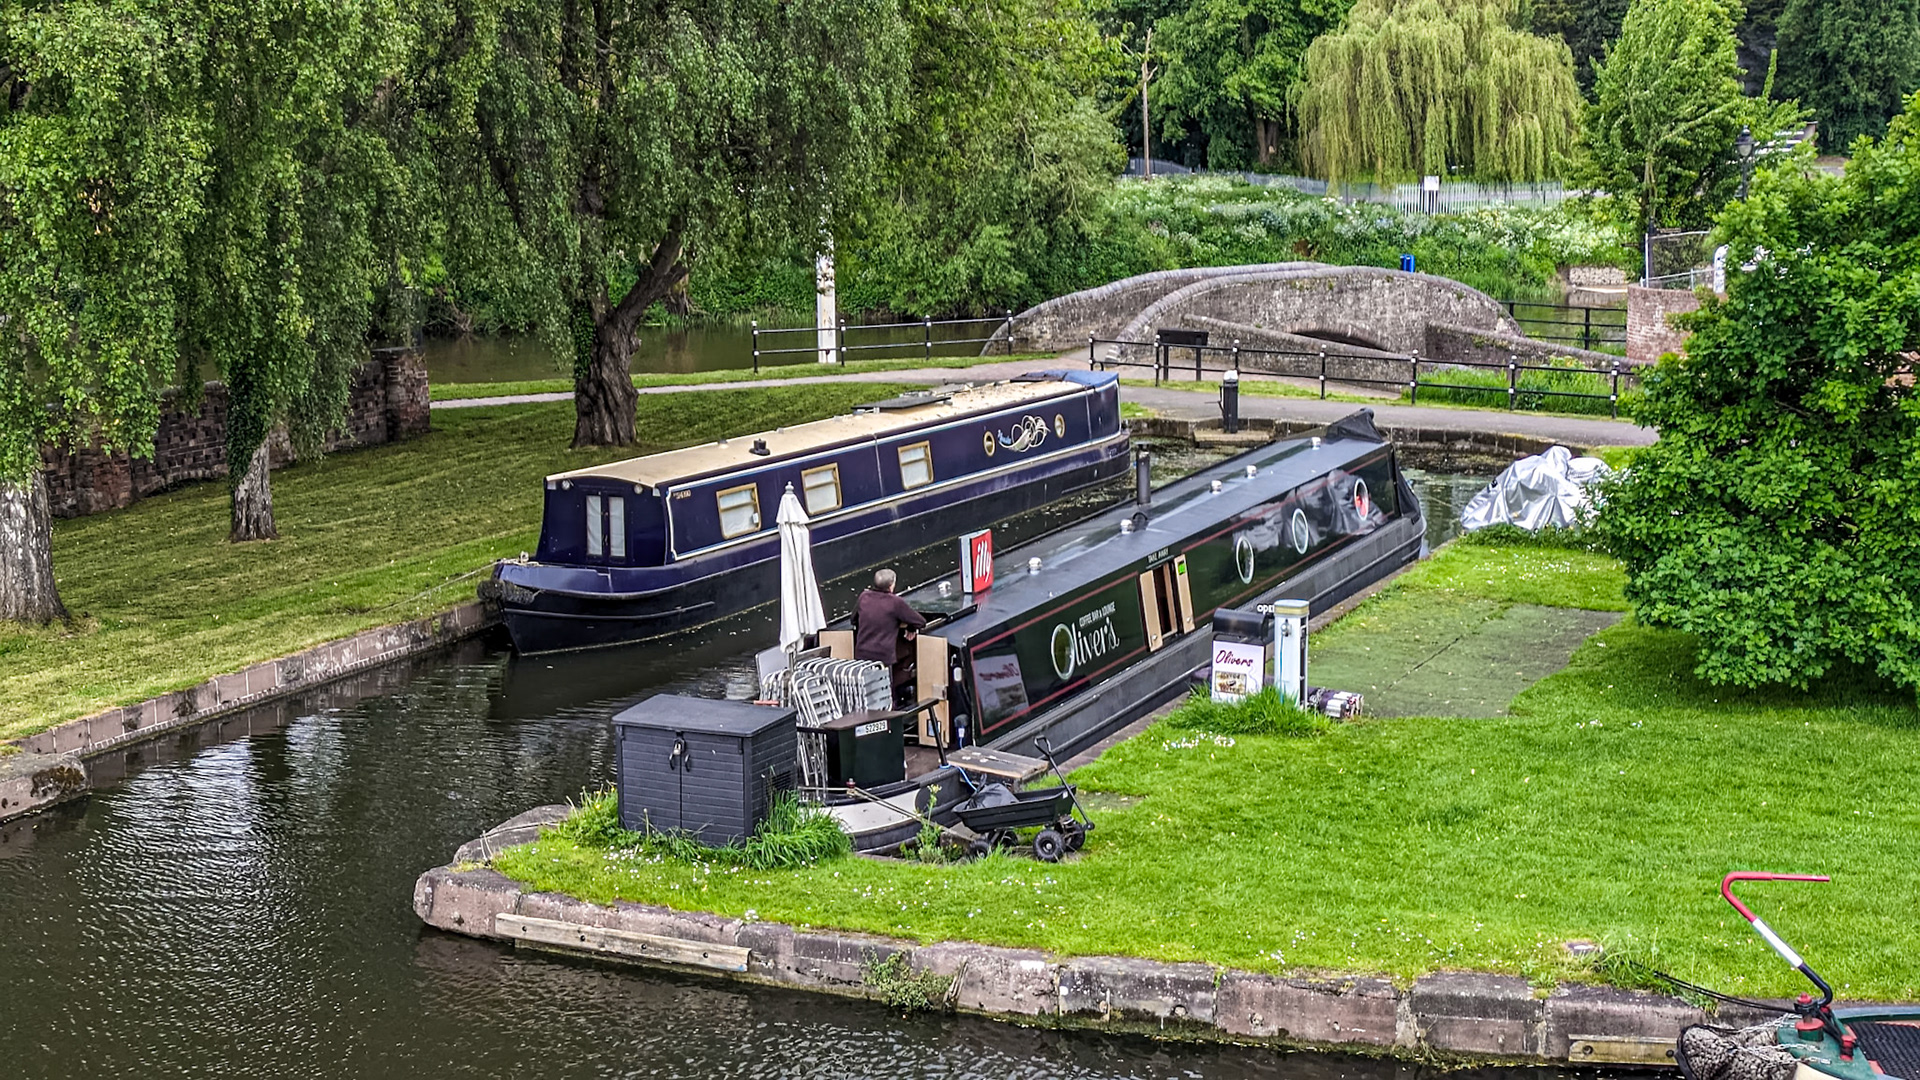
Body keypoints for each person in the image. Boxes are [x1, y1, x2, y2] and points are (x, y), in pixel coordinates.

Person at [854, 568, 926, 704]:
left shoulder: (864, 597)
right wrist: (911, 628)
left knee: (866, 695)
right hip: (883, 658)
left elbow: (854, 619)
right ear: (892, 585)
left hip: (861, 656)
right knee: (884, 695)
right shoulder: (895, 602)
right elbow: (920, 622)